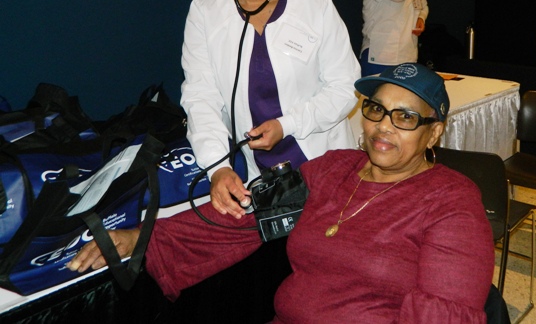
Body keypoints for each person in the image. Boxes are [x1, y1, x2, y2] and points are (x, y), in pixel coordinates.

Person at [67, 0, 360, 282]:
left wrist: (287, 124)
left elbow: (345, 88)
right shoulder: (206, 12)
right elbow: (201, 98)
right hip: (264, 178)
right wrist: (218, 168)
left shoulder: (316, 6)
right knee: (285, 273)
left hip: (329, 166)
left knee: (338, 272)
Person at [69, 63, 495, 322]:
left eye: (405, 117)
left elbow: (445, 313)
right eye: (376, 109)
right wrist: (143, 236)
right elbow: (245, 216)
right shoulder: (333, 169)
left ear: (433, 132)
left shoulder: (452, 202)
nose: (384, 126)